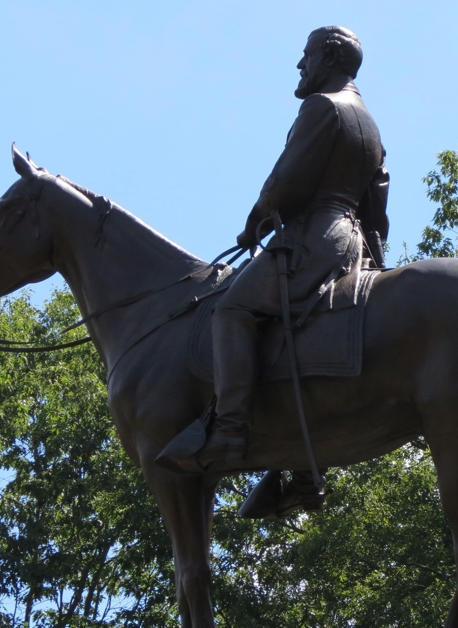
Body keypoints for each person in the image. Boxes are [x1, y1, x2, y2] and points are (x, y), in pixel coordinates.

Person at [157, 25, 389, 486]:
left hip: (314, 236)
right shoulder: (369, 124)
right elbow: (376, 207)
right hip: (352, 241)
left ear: (330, 57)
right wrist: (374, 258)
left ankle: (229, 430)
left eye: (307, 55)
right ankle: (298, 462)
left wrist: (255, 222)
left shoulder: (323, 106)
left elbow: (286, 181)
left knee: (232, 310)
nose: (300, 65)